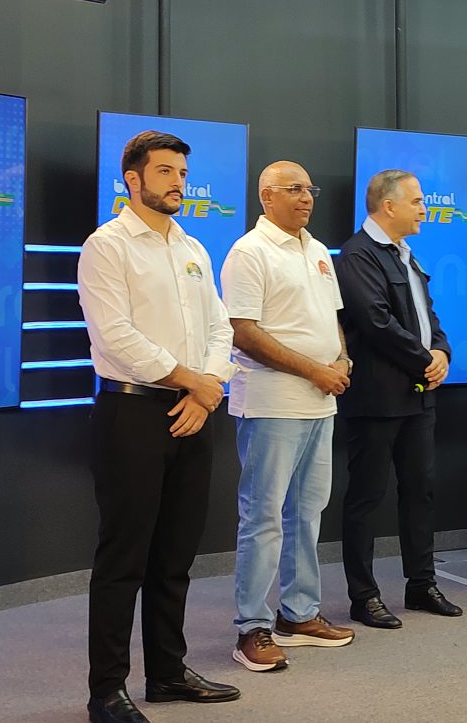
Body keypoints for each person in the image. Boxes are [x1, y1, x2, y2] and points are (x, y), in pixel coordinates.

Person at [77, 130, 242, 723]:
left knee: (175, 555)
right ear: (133, 179)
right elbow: (115, 337)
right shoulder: (108, 246)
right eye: (165, 171)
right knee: (125, 558)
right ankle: (106, 691)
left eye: (181, 172)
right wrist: (190, 380)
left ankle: (168, 673)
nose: (177, 182)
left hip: (195, 411)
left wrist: (210, 385)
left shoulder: (193, 249)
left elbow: (221, 329)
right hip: (133, 413)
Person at [221, 160, 356, 673]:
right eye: (293, 189)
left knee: (307, 513)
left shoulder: (318, 250)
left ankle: (298, 615)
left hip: (321, 402)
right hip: (273, 402)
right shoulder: (248, 252)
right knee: (263, 518)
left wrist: (339, 360)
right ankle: (250, 628)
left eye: (310, 188)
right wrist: (313, 371)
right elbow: (243, 330)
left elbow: (332, 321)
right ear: (266, 196)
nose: (306, 197)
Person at [335, 170, 463, 628]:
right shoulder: (357, 255)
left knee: (420, 493)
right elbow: (375, 321)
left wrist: (442, 352)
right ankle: (363, 596)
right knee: (367, 498)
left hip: (418, 397)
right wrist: (423, 361)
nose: (424, 208)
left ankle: (421, 584)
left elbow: (428, 316)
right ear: (388, 207)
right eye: (416, 201)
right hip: (377, 397)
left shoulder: (406, 254)